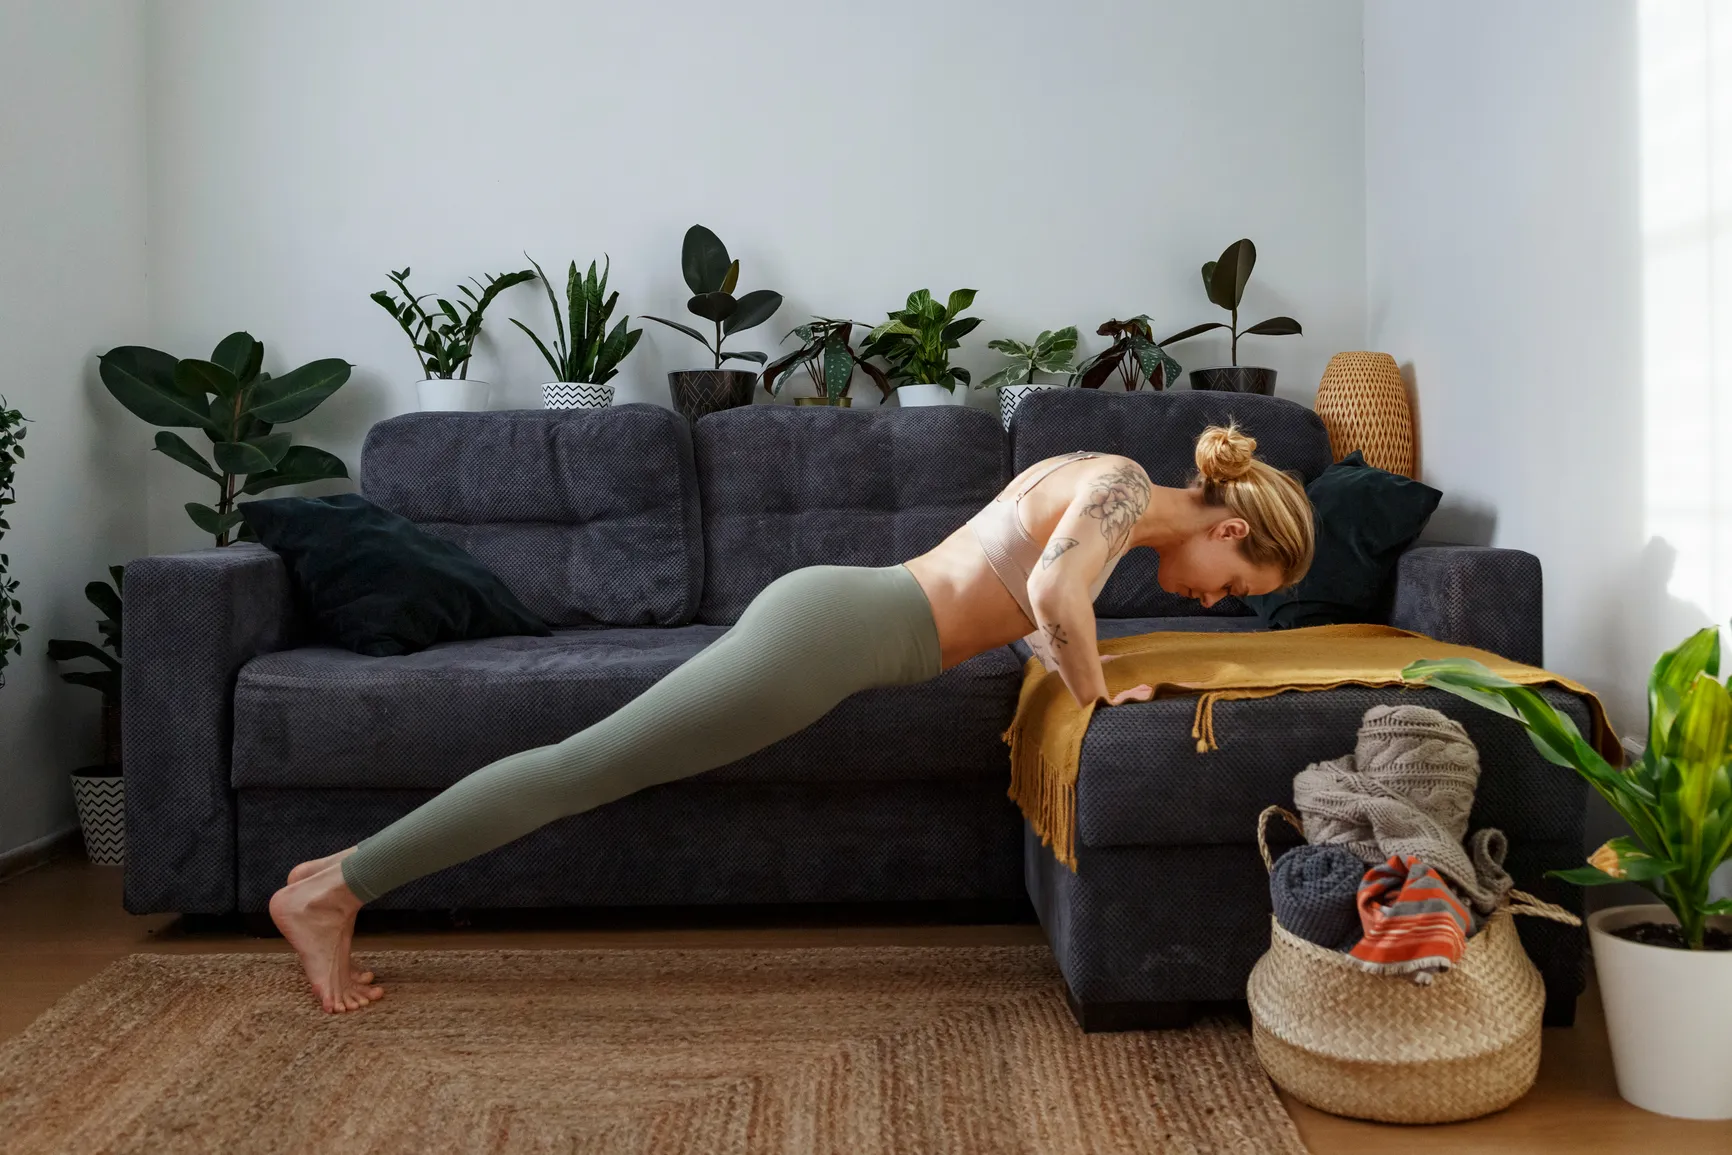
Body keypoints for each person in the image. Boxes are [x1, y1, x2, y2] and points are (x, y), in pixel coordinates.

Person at [270, 422, 1315, 1012]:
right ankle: (339, 892)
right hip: (831, 634)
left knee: (587, 765)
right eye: (1234, 583)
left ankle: (324, 879)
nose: (1216, 599)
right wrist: (1098, 691)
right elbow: (1050, 597)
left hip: (836, 619)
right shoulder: (1123, 488)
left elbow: (1018, 598)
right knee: (582, 768)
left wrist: (1079, 664)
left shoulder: (1095, 477)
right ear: (1229, 526)